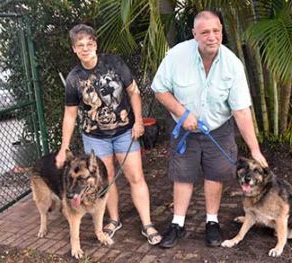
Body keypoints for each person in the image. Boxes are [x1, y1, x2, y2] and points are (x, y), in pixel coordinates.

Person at [151, 11, 268, 248]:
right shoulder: (176, 56)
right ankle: (178, 224)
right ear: (195, 34)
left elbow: (242, 111)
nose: (211, 37)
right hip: (185, 129)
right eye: (205, 32)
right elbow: (159, 89)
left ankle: (212, 222)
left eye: (216, 31)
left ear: (222, 32)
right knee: (183, 175)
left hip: (219, 129)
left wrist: (255, 150)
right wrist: (182, 113)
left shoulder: (232, 65)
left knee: (215, 174)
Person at [55, 24, 162, 245]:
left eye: (89, 44)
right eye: (80, 46)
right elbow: (70, 115)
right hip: (95, 138)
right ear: (74, 49)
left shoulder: (114, 63)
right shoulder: (74, 79)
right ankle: (113, 220)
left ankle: (147, 223)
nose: (86, 49)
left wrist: (139, 121)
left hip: (125, 132)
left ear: (95, 44)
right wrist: (63, 148)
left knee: (136, 177)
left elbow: (134, 91)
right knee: (107, 180)